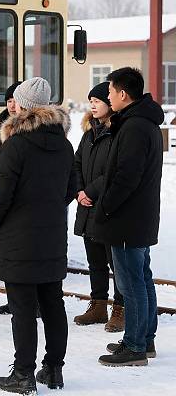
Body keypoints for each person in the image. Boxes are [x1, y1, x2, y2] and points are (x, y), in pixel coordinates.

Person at [0, 77, 75, 394]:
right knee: (53, 303)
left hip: (18, 238)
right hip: (51, 235)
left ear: (21, 106)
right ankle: (53, 369)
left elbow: (0, 194)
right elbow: (69, 189)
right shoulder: (64, 144)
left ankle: (23, 373)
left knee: (23, 310)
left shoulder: (16, 145)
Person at [95, 67, 163, 367]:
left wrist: (106, 207)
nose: (108, 97)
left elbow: (126, 176)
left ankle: (135, 346)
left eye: (110, 92)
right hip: (139, 217)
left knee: (130, 283)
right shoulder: (143, 122)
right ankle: (144, 339)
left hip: (126, 218)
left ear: (123, 94)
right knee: (141, 278)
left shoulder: (134, 127)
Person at [73, 82, 124, 332]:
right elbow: (76, 163)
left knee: (116, 263)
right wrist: (79, 191)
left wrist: (89, 191)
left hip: (106, 206)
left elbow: (113, 171)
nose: (92, 105)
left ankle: (120, 309)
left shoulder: (116, 133)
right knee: (95, 262)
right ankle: (98, 305)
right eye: (90, 100)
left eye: (98, 100)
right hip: (87, 206)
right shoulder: (88, 133)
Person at [0, 81, 22, 316]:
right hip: (3, 194)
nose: (10, 104)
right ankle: (13, 299)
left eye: (15, 100)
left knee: (24, 253)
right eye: (8, 100)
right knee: (8, 254)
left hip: (21, 201)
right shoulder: (2, 124)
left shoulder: (26, 127)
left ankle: (28, 302)